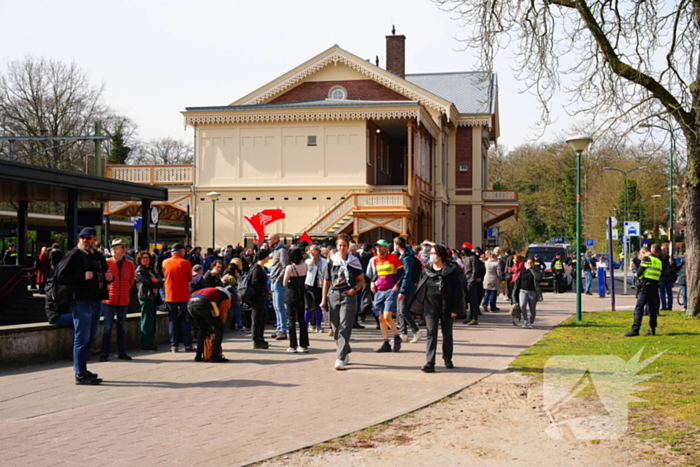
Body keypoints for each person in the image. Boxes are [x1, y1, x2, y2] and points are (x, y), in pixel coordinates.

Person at [55, 227, 113, 385]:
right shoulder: (74, 254)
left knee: (91, 336)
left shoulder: (98, 256)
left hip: (96, 299)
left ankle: (83, 368)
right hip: (80, 300)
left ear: (95, 239)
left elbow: (104, 272)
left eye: (88, 238)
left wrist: (109, 277)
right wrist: (82, 276)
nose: (85, 240)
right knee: (82, 337)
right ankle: (80, 373)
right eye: (83, 238)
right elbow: (60, 276)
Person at [410, 244, 462, 372]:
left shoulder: (451, 270)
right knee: (431, 333)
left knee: (447, 333)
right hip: (430, 306)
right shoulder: (426, 271)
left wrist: (455, 308)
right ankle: (430, 362)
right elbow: (421, 288)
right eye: (430, 253)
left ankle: (447, 358)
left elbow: (457, 290)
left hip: (447, 306)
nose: (430, 256)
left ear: (440, 255)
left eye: (433, 253)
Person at [320, 233, 364, 370]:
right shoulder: (332, 261)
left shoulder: (354, 261)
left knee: (344, 326)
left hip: (348, 295)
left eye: (344, 246)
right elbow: (326, 281)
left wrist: (354, 289)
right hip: (334, 294)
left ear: (348, 246)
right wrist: (323, 299)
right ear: (337, 246)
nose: (342, 248)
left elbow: (361, 281)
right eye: (340, 245)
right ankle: (345, 350)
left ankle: (340, 358)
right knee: (335, 327)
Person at [100, 239, 136, 361]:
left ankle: (122, 352)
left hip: (123, 299)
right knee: (107, 327)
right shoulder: (107, 263)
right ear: (114, 249)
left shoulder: (130, 264)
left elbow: (131, 280)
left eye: (125, 246)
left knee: (121, 327)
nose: (125, 249)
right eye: (122, 247)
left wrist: (125, 290)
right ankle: (104, 353)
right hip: (109, 300)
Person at [366, 239, 404, 353]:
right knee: (381, 318)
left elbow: (402, 273)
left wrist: (397, 286)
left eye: (381, 246)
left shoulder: (393, 258)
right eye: (377, 247)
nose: (379, 248)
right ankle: (385, 342)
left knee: (387, 316)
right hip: (379, 291)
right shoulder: (375, 260)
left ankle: (396, 336)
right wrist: (372, 282)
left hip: (390, 290)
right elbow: (376, 274)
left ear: (386, 247)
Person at [162, 243, 194, 352]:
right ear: (181, 251)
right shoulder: (185, 262)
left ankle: (174, 345)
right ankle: (187, 345)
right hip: (183, 295)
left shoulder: (165, 262)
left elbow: (164, 275)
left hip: (170, 295)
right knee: (186, 320)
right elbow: (190, 278)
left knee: (173, 320)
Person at [625, 245, 662, 336]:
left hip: (645, 286)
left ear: (643, 252)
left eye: (641, 255)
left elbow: (639, 272)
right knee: (652, 309)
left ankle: (635, 329)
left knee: (639, 307)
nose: (641, 257)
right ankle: (652, 329)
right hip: (654, 286)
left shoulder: (647, 259)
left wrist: (636, 274)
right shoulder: (658, 260)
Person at [188, 287, 230, 362]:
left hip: (190, 304)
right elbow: (222, 313)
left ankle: (198, 356)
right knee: (219, 328)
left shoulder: (209, 291)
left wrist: (211, 330)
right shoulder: (225, 296)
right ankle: (215, 356)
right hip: (201, 304)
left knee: (202, 327)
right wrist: (218, 325)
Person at [393, 236, 422, 343]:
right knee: (400, 311)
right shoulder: (402, 256)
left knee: (403, 311)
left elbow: (407, 275)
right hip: (402, 286)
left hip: (406, 288)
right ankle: (403, 334)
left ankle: (416, 330)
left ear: (397, 245)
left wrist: (403, 290)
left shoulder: (406, 258)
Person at [135, 250, 162, 351]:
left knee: (152, 321)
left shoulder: (150, 269)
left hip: (153, 296)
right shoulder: (139, 271)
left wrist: (157, 281)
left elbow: (159, 279)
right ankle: (145, 345)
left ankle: (150, 342)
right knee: (146, 321)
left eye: (147, 258)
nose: (146, 260)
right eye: (144, 258)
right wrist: (156, 282)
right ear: (140, 259)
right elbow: (148, 283)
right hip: (145, 297)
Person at [283, 248, 309, 353]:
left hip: (292, 294)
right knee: (302, 320)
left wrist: (290, 280)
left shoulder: (289, 268)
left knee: (291, 320)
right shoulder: (305, 266)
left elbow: (285, 283)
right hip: (302, 293)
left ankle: (293, 345)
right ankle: (304, 345)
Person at [268, 233, 290, 340]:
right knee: (276, 307)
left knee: (280, 307)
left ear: (275, 239)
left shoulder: (282, 250)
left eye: (269, 239)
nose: (268, 241)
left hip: (278, 282)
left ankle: (283, 330)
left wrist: (278, 279)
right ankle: (279, 328)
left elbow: (285, 266)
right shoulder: (276, 250)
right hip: (273, 280)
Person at [249, 249, 271, 349]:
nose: (269, 258)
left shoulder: (261, 268)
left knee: (261, 318)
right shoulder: (257, 269)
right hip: (257, 297)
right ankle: (256, 340)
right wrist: (263, 291)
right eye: (267, 256)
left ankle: (260, 337)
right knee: (256, 319)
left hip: (261, 297)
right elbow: (255, 283)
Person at [514, 257, 542, 329]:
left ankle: (531, 322)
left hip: (532, 291)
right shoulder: (522, 270)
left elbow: (538, 277)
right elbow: (517, 281)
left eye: (531, 263)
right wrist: (514, 293)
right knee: (522, 305)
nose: (529, 264)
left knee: (532, 308)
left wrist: (532, 270)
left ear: (533, 263)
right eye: (528, 263)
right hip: (523, 291)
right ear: (525, 263)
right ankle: (525, 320)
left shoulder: (536, 269)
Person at [305, 244, 327, 333]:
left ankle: (318, 325)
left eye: (313, 250)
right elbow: (309, 269)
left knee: (318, 305)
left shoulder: (324, 261)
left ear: (318, 251)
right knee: (308, 305)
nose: (311, 251)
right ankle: (305, 324)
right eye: (310, 250)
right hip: (310, 284)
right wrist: (312, 258)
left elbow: (326, 272)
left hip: (320, 284)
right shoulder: (308, 260)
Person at [462, 242, 482, 325]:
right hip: (466, 280)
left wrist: (472, 280)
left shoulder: (473, 257)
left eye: (465, 249)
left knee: (473, 300)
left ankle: (475, 318)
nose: (463, 250)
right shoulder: (466, 257)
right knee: (469, 300)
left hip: (471, 281)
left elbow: (475, 270)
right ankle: (470, 317)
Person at [658, 246, 676, 311]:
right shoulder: (670, 258)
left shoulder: (659, 258)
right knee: (669, 292)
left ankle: (664, 306)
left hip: (662, 276)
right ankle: (669, 306)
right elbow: (674, 267)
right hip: (669, 276)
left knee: (662, 292)